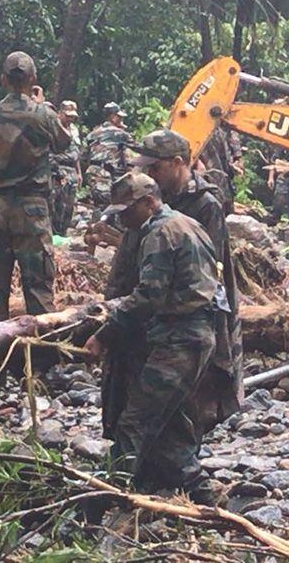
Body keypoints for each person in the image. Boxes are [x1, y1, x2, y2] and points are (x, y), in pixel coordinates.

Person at [83, 172, 221, 500]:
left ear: (148, 202)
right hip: (195, 336)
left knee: (136, 421)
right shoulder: (187, 225)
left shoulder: (161, 234)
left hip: (180, 340)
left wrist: (106, 333)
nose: (123, 220)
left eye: (128, 211)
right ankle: (203, 494)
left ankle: (104, 496)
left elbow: (149, 295)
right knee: (170, 423)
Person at [128, 129, 243, 433]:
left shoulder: (205, 205)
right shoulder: (152, 199)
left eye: (155, 167)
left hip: (189, 312)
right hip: (154, 307)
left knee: (193, 394)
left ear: (178, 163)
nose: (149, 173)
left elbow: (209, 271)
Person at [0, 51, 71, 320]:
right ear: (33, 79)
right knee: (38, 288)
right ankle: (43, 355)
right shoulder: (43, 114)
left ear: (3, 80)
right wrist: (41, 105)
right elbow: (64, 143)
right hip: (31, 209)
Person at [84, 101, 134, 206]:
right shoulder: (122, 134)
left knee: (98, 206)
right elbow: (131, 156)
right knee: (111, 206)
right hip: (107, 174)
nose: (121, 119)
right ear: (112, 116)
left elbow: (84, 156)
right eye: (119, 117)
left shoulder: (92, 134)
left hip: (93, 172)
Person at [50, 100, 82, 235]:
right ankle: (54, 233)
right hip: (58, 169)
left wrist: (79, 172)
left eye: (72, 116)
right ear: (60, 113)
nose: (70, 119)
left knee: (69, 205)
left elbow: (76, 152)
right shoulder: (52, 127)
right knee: (57, 204)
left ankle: (62, 233)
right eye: (67, 115)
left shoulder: (73, 129)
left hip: (71, 171)